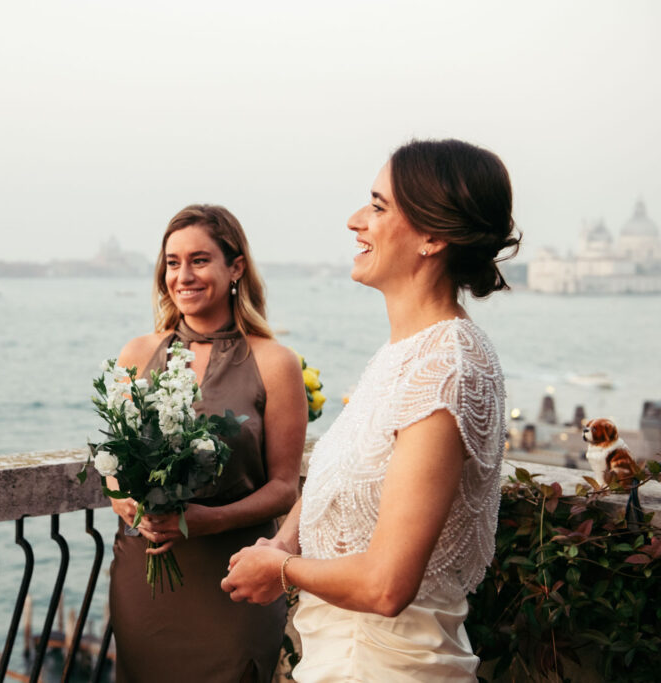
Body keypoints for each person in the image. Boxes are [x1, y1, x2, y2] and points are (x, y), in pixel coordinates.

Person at [222, 139, 520, 681]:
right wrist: (284, 540)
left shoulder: (447, 367)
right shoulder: (401, 355)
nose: (355, 220)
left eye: (379, 207)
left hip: (386, 664)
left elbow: (387, 585)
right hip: (341, 654)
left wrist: (283, 571)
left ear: (433, 236)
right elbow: (342, 482)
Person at [108, 205, 308, 682]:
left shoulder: (276, 363)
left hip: (237, 575)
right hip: (146, 572)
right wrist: (126, 501)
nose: (183, 275)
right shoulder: (136, 354)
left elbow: (284, 487)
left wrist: (203, 520)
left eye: (199, 260)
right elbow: (113, 463)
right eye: (172, 262)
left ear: (235, 267)